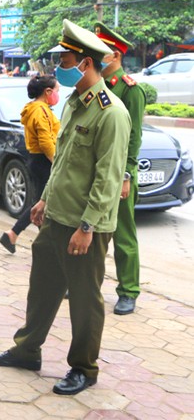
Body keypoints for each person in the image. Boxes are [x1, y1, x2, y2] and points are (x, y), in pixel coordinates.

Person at [0, 19, 130, 396]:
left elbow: (108, 177)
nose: (59, 67)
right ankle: (27, 349)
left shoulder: (110, 112)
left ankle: (84, 367)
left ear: (86, 63)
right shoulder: (73, 103)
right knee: (43, 287)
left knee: (84, 298)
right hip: (56, 215)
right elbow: (63, 161)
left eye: (66, 59)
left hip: (85, 224)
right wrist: (44, 199)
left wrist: (88, 227)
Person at [95, 22, 145, 315]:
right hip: (98, 170)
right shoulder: (96, 87)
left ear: (114, 55)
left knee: (123, 235)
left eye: (100, 52)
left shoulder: (130, 91)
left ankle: (128, 291)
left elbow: (134, 138)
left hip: (120, 174)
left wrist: (126, 175)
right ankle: (83, 282)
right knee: (89, 229)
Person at [0, 75, 60, 253]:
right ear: (47, 91)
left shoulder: (36, 108)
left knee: (40, 201)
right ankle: (46, 244)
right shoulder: (40, 111)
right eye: (57, 91)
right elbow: (46, 141)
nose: (58, 95)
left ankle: (14, 235)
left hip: (37, 160)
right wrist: (56, 162)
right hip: (43, 161)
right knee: (42, 203)